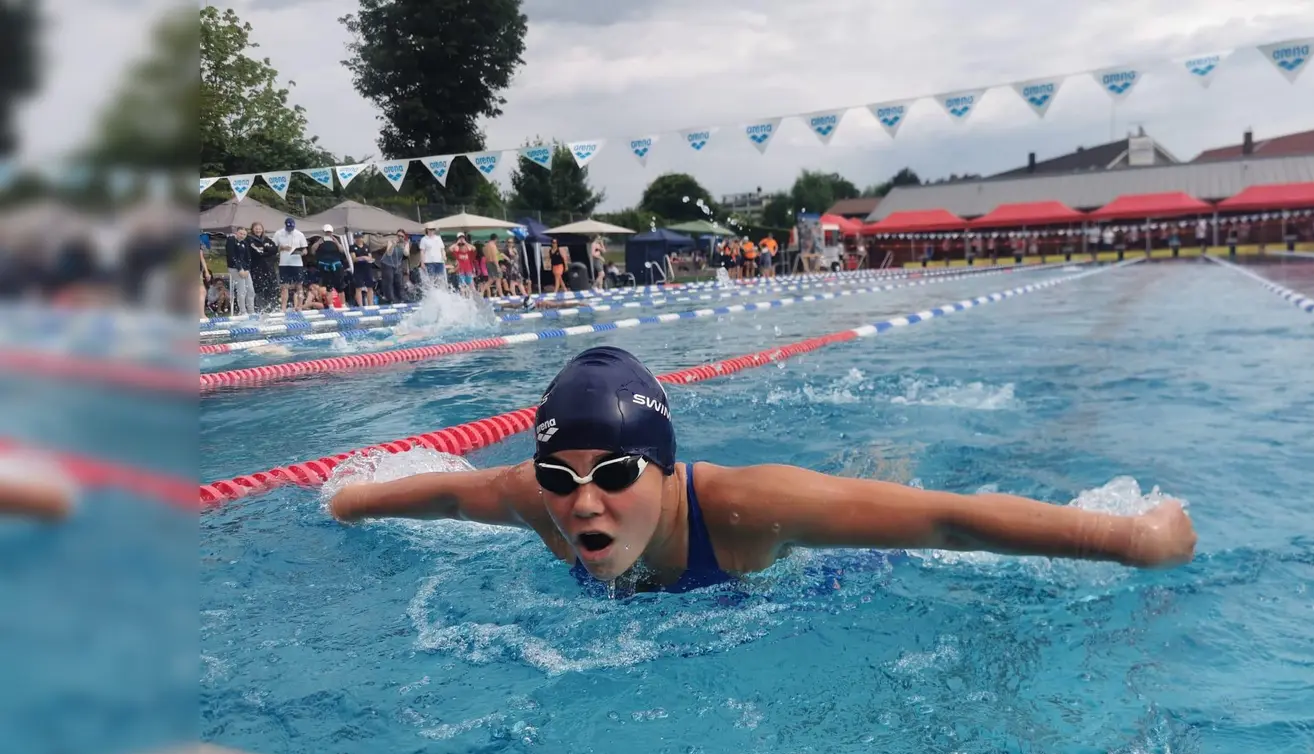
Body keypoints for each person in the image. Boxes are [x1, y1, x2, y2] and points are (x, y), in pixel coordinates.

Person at [327, 346, 1197, 594]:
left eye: (617, 472)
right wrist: (349, 501)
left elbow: (947, 521)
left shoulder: (748, 508)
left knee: (881, 498)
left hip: (814, 553)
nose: (582, 501)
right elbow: (445, 490)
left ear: (666, 473)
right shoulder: (539, 501)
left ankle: (880, 452)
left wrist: (1127, 537)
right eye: (560, 476)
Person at [272, 217, 307, 311]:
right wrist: (281, 248)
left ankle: (299, 306)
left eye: (292, 228)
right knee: (284, 286)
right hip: (284, 263)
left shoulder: (299, 234)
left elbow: (305, 249)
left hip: (297, 263)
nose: (290, 230)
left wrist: (303, 252)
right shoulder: (278, 233)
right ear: (285, 225)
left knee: (299, 285)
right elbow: (273, 248)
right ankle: (283, 307)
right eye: (288, 228)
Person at [225, 225, 256, 315]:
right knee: (242, 290)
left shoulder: (244, 243)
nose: (242, 236)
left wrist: (247, 269)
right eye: (241, 234)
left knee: (250, 290)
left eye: (244, 234)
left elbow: (248, 258)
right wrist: (240, 269)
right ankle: (243, 311)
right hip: (234, 268)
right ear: (236, 233)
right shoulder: (231, 240)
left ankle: (251, 311)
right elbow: (231, 256)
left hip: (244, 269)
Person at [379, 230, 410, 305]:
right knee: (389, 280)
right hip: (387, 263)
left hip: (396, 264)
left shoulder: (406, 243)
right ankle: (390, 298)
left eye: (402, 236)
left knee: (399, 281)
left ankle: (402, 298)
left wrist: (404, 247)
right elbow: (389, 253)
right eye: (398, 235)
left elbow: (406, 254)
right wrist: (393, 245)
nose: (400, 237)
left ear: (404, 237)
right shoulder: (391, 241)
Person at [350, 234, 376, 307]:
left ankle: (371, 305)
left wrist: (366, 258)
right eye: (357, 238)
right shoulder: (352, 247)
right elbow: (354, 259)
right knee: (358, 287)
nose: (358, 239)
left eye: (360, 237)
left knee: (370, 287)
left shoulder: (366, 247)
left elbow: (370, 257)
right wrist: (364, 257)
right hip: (358, 269)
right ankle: (360, 305)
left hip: (367, 268)